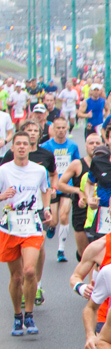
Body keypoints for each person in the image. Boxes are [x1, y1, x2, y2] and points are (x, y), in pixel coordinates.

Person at [1, 130, 52, 335]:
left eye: (25, 143)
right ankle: (17, 316)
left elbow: (45, 189)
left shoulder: (38, 171)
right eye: (18, 143)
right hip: (10, 225)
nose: (22, 147)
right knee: (16, 277)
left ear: (30, 147)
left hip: (31, 224)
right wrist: (2, 195)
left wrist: (46, 208)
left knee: (29, 271)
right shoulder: (3, 170)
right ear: (12, 147)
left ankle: (29, 316)